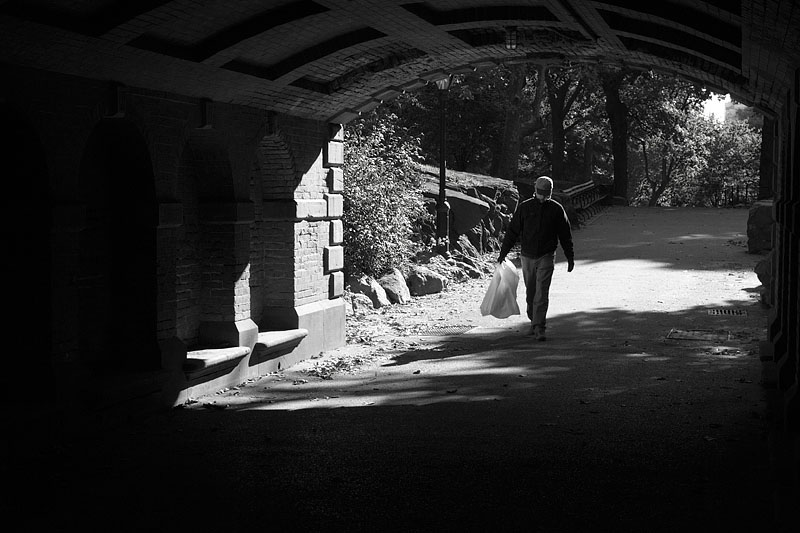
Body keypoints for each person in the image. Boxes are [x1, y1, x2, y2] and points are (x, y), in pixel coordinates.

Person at [497, 176, 574, 341]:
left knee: (541, 292)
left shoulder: (556, 209)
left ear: (550, 193)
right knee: (531, 291)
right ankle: (534, 321)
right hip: (527, 256)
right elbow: (513, 231)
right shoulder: (525, 208)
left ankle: (540, 327)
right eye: (541, 193)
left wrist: (570, 256)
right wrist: (503, 253)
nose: (543, 196)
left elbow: (565, 235)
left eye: (546, 194)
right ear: (536, 191)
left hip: (546, 255)